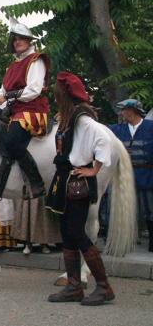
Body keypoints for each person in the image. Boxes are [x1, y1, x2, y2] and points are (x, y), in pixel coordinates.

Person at [46, 71, 114, 306]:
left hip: (78, 184)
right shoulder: (69, 117)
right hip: (66, 182)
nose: (55, 100)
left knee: (76, 232)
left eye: (57, 96)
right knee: (67, 234)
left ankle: (104, 287)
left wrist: (93, 170)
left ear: (65, 96)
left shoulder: (82, 119)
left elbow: (103, 139)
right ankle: (74, 287)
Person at [0, 17, 50, 199]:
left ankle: (36, 183)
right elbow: (2, 91)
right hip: (14, 110)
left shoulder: (36, 60)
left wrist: (7, 97)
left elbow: (34, 90)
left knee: (11, 141)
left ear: (28, 40)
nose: (18, 42)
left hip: (33, 110)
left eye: (21, 38)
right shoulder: (13, 65)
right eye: (15, 40)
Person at [109, 98, 153, 252]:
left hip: (147, 173)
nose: (122, 113)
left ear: (132, 111)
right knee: (125, 207)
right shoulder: (117, 129)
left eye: (124, 110)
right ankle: (127, 238)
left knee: (150, 207)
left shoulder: (150, 127)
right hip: (125, 175)